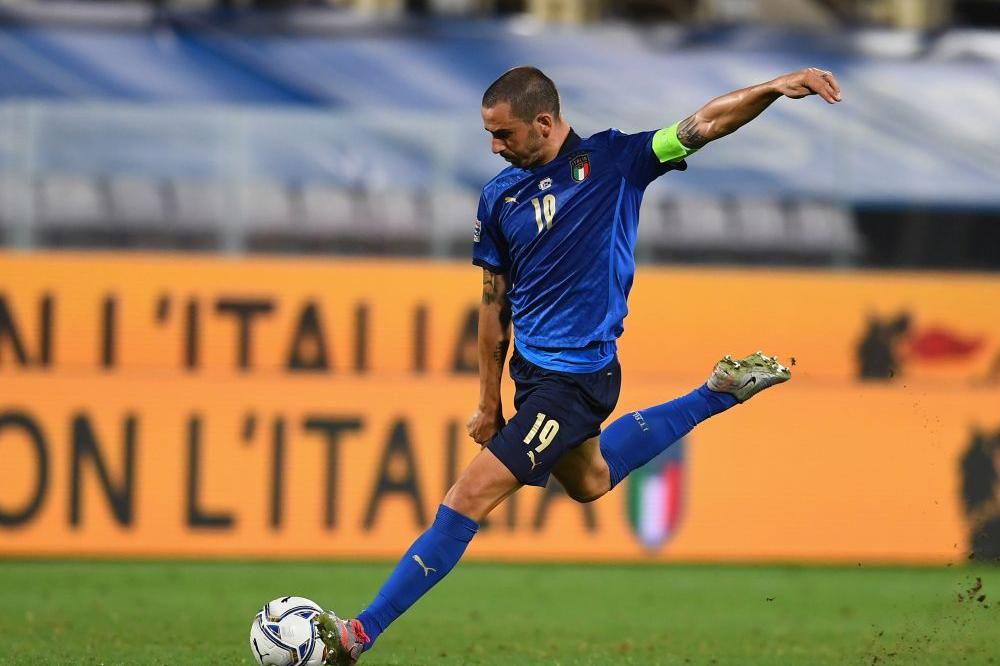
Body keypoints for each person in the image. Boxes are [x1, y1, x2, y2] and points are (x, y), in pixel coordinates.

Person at [316, 65, 841, 664]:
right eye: (488, 134)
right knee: (590, 483)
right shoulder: (498, 198)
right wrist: (489, 400)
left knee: (467, 497)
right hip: (533, 375)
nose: (494, 147)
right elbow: (494, 302)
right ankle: (717, 392)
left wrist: (772, 88)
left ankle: (357, 636)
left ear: (544, 122)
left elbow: (705, 122)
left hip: (578, 380)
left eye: (504, 134)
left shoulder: (618, 163)